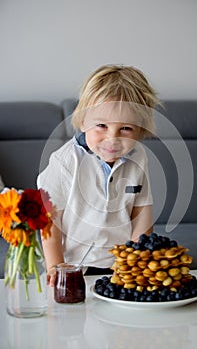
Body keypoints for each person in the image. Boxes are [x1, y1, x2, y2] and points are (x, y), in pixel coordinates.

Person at [37, 64, 161, 286]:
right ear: (83, 121)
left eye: (126, 129)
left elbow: (141, 212)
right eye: (101, 125)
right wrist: (56, 268)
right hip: (74, 267)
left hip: (119, 267)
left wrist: (135, 262)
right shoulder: (65, 161)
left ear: (141, 130)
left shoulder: (139, 157)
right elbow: (49, 221)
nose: (112, 139)